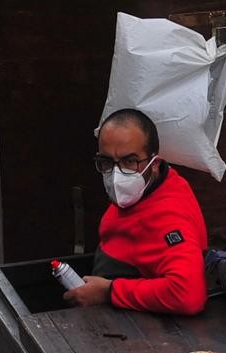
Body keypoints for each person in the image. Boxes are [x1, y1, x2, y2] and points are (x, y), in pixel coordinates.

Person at [63, 107, 207, 316]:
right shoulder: (143, 191)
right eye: (106, 162)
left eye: (129, 162)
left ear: (154, 164)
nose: (116, 174)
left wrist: (108, 291)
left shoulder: (170, 216)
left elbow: (188, 295)